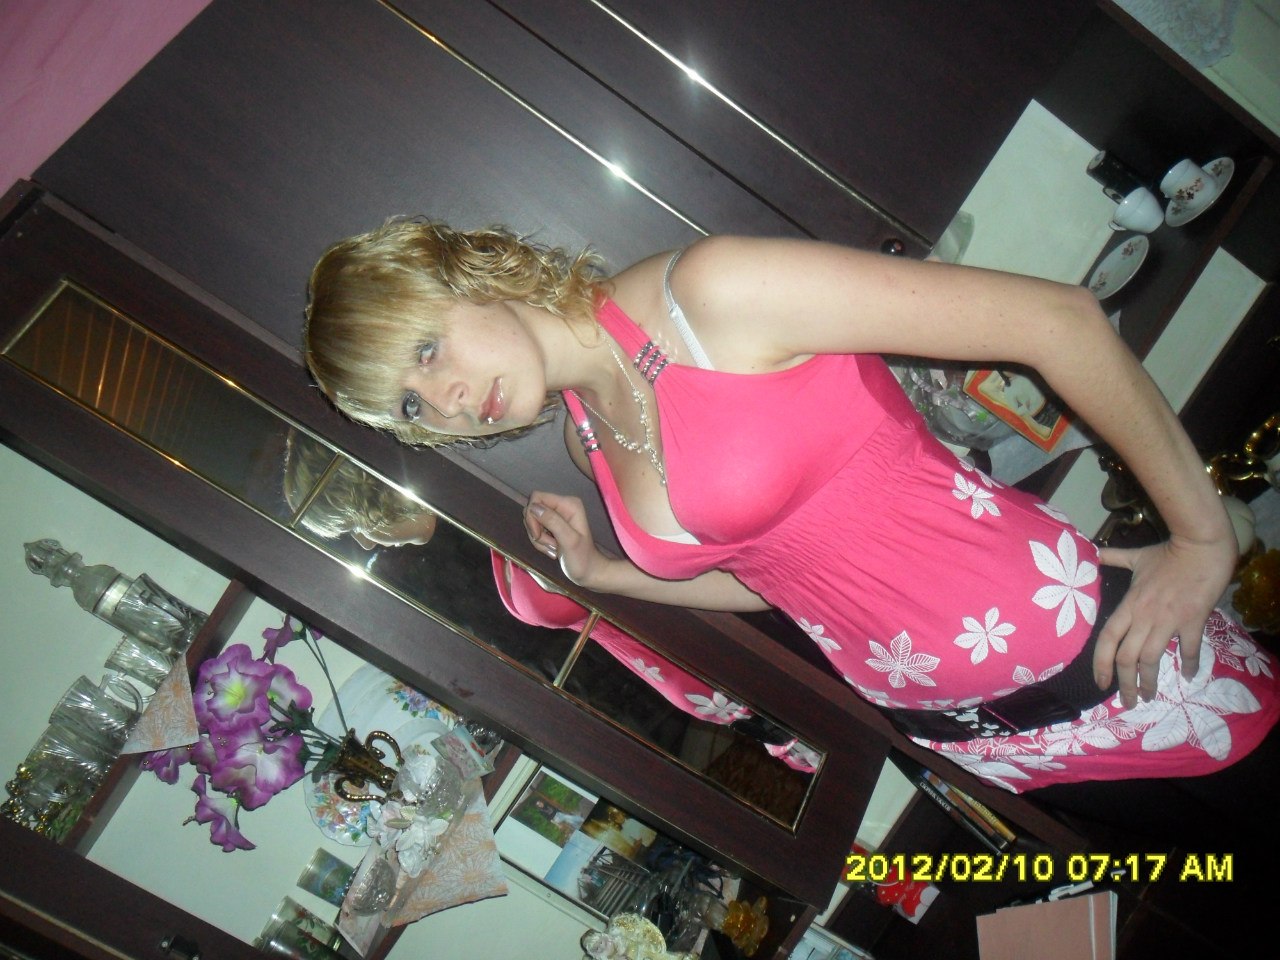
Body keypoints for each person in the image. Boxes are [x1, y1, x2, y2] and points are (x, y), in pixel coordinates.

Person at [302, 219, 1278, 837]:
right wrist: (608, 575)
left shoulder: (710, 292)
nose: (447, 397)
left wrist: (1203, 537)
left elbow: (1058, 322)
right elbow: (776, 576)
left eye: (425, 349)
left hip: (1095, 651)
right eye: (412, 406)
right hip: (974, 739)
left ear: (468, 276)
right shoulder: (583, 436)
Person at [281, 429, 816, 771]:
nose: (365, 544)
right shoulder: (467, 538)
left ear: (371, 497)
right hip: (696, 678)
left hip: (722, 630)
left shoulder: (501, 497)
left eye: (354, 527)